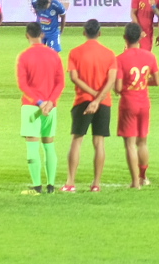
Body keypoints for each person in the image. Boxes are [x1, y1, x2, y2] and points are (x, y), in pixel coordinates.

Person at [64, 19, 117, 192]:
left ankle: (70, 182)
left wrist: (92, 96)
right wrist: (98, 98)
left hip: (82, 101)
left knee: (77, 140)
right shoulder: (109, 54)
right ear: (100, 33)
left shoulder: (75, 52)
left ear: (84, 32)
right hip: (104, 102)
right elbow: (111, 80)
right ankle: (96, 184)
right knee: (99, 142)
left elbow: (74, 77)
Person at [16, 21, 64, 193]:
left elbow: (22, 84)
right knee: (49, 144)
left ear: (27, 35)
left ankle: (37, 187)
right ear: (42, 34)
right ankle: (51, 185)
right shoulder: (54, 55)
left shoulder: (24, 56)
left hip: (31, 107)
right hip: (51, 108)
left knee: (32, 145)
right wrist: (50, 102)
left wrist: (39, 102)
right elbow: (60, 83)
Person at [114, 23, 159, 189]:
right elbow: (157, 80)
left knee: (130, 144)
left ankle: (135, 183)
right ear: (141, 36)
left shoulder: (120, 59)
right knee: (143, 142)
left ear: (125, 38)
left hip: (128, 103)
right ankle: (143, 177)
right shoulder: (150, 56)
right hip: (144, 102)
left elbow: (118, 88)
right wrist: (141, 83)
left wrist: (126, 86)